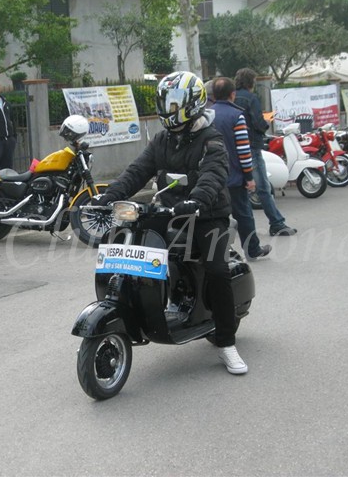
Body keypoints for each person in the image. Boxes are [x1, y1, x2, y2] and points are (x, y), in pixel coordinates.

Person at [92, 71, 248, 375]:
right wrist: (108, 196)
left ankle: (226, 342)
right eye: (166, 102)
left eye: (174, 102)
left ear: (193, 102)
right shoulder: (162, 139)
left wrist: (197, 201)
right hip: (169, 209)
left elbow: (213, 175)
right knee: (133, 243)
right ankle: (147, 306)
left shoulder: (211, 139)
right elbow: (137, 170)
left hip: (207, 214)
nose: (169, 108)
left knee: (216, 270)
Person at [211, 77, 271, 260]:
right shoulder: (237, 116)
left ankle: (217, 252)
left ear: (214, 95)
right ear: (232, 94)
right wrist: (249, 176)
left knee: (215, 217)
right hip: (234, 177)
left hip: (211, 177)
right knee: (244, 215)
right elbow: (243, 151)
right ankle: (252, 249)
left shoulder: (206, 116)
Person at [233, 68, 297, 236]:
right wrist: (265, 124)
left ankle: (240, 226)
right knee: (263, 187)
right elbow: (257, 122)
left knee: (239, 188)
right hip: (251, 145)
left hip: (234, 147)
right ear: (250, 82)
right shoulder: (251, 98)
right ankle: (276, 223)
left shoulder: (232, 97)